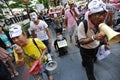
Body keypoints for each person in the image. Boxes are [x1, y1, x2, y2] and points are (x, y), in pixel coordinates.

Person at [78, 0, 109, 80]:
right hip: (85, 50)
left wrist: (106, 44)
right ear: (91, 15)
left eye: (103, 14)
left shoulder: (101, 23)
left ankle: (85, 62)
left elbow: (104, 34)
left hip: (96, 47)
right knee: (90, 71)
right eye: (98, 14)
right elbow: (81, 41)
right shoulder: (83, 24)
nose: (102, 17)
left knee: (93, 59)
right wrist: (94, 37)